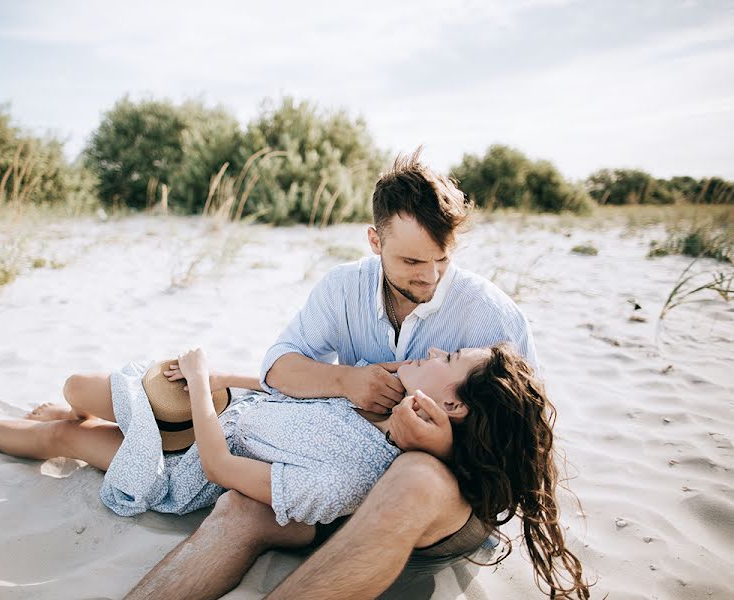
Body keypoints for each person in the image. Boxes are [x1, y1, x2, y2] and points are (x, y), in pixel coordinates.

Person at [126, 149, 547, 600]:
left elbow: (526, 453)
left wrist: (440, 446)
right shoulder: (343, 288)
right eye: (411, 262)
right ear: (375, 242)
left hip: (439, 507)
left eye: (441, 259)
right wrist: (346, 380)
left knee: (416, 476)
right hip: (341, 492)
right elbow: (279, 366)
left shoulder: (492, 316)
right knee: (238, 508)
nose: (429, 278)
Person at [0, 341, 588, 599]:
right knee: (73, 416)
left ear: (451, 407)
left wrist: (198, 386)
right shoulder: (374, 398)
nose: (436, 349)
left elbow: (224, 470)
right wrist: (214, 376)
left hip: (186, 465)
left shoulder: (348, 481)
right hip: (216, 418)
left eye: (449, 360)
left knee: (72, 429)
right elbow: (277, 389)